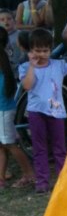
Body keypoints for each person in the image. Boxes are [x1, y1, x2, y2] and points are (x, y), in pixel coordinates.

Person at [18, 28, 67, 193]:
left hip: (56, 113)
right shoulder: (25, 67)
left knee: (60, 147)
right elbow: (27, 85)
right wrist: (32, 66)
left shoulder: (59, 65)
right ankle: (42, 181)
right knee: (39, 148)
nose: (41, 54)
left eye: (45, 51)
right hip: (36, 112)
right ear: (31, 50)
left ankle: (62, 180)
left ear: (50, 49)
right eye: (37, 50)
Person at [0, 26, 36, 189]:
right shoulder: (4, 58)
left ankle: (29, 173)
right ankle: (1, 177)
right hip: (5, 107)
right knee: (2, 144)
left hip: (3, 109)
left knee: (9, 144)